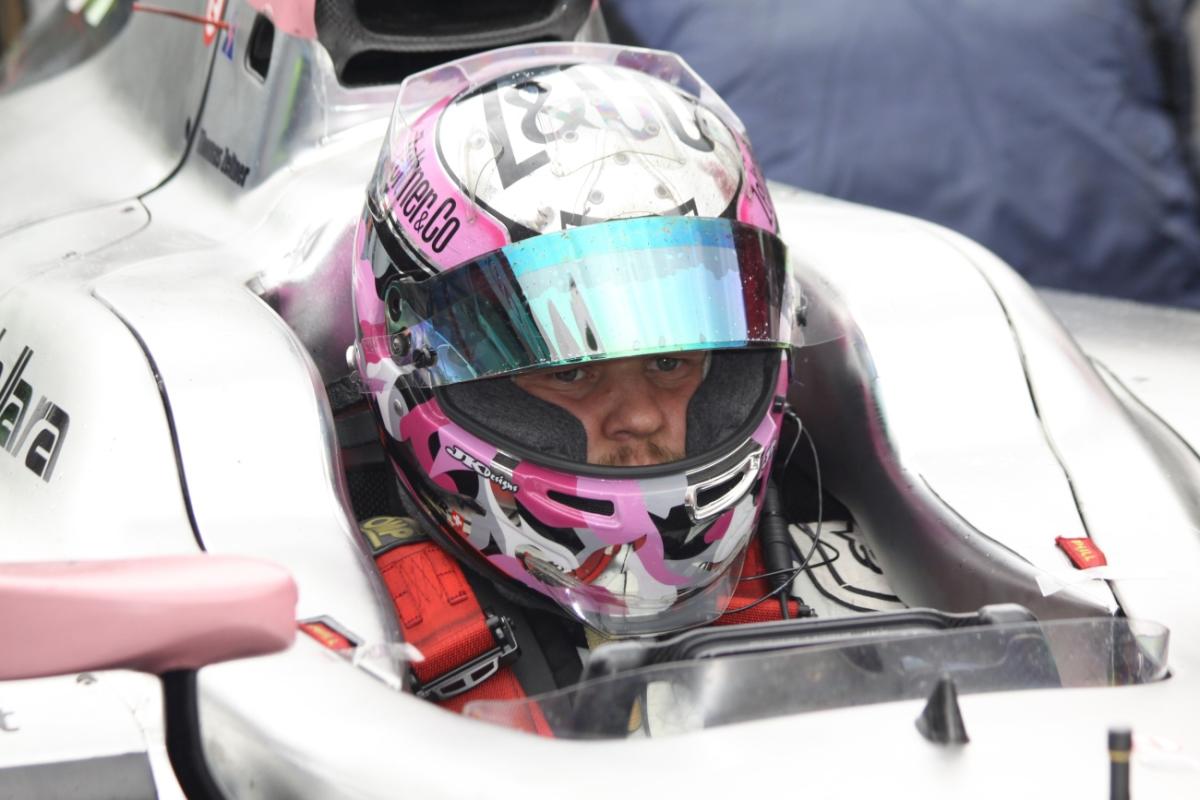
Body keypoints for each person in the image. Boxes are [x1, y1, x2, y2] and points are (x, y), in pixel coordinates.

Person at [348, 43, 896, 725]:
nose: (638, 417)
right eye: (569, 371)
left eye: (671, 363)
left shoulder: (854, 595)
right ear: (410, 355)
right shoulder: (354, 654)